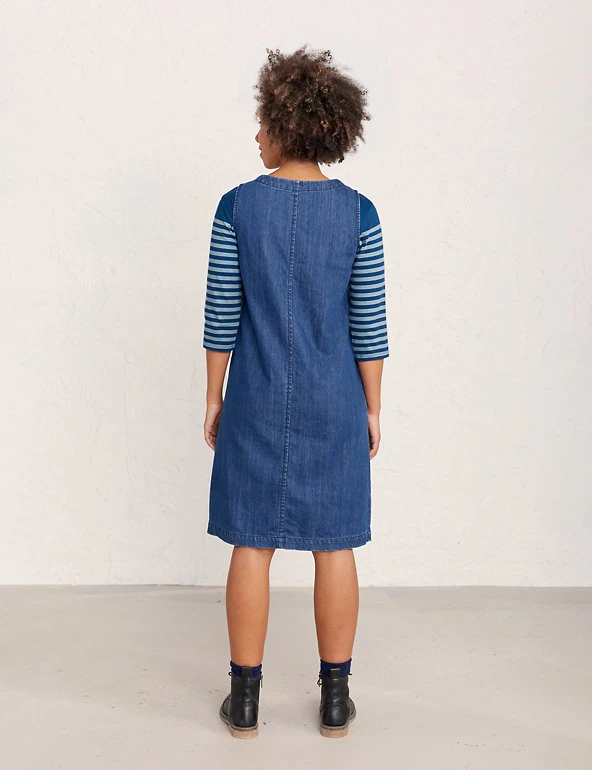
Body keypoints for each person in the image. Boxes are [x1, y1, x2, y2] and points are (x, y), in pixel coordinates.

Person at [202, 44, 389, 739]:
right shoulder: (360, 213)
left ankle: (245, 701)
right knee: (334, 545)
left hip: (254, 398)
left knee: (251, 544)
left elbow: (222, 316)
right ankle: (335, 699)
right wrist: (373, 407)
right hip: (335, 402)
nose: (256, 133)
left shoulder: (236, 208)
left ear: (286, 125)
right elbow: (368, 325)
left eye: (262, 121)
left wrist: (215, 398)